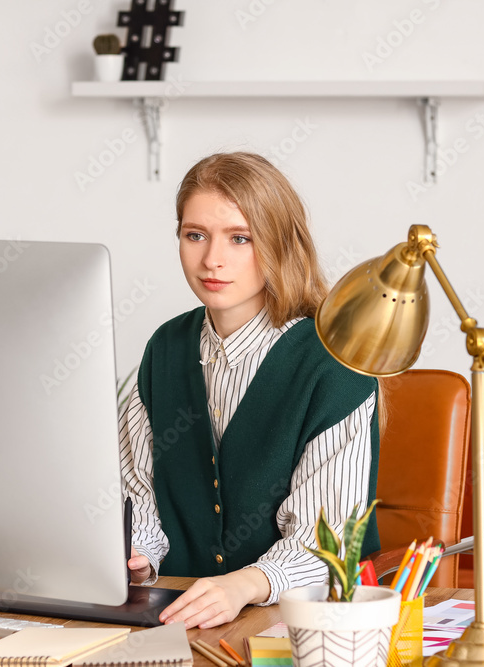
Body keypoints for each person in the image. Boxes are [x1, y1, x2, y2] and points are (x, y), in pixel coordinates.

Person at [118, 152, 381, 630]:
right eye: (194, 235)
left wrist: (244, 583)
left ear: (280, 244)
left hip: (298, 624)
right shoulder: (165, 349)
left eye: (240, 238)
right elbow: (139, 497)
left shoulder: (334, 366)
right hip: (174, 620)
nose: (212, 259)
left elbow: (329, 543)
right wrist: (139, 554)